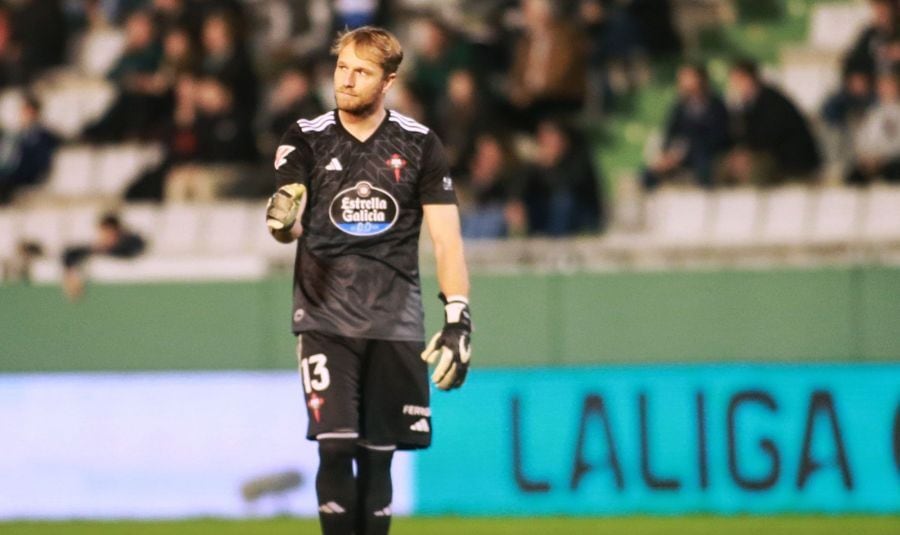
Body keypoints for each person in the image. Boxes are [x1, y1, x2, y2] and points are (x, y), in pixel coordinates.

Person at [263, 27, 472, 535]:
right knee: (335, 446)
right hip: (324, 317)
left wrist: (457, 319)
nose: (347, 80)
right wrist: (284, 222)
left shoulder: (420, 144)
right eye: (341, 68)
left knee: (378, 457)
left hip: (395, 321)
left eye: (361, 71)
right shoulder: (306, 138)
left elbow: (446, 239)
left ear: (388, 81)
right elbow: (289, 218)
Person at [722, 59, 821, 185]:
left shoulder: (772, 100)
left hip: (789, 158)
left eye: (736, 80)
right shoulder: (747, 103)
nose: (734, 85)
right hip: (768, 153)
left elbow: (770, 135)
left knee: (756, 170)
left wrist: (747, 153)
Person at [643, 63, 730, 189]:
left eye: (689, 78)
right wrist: (667, 154)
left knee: (704, 167)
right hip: (681, 157)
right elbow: (669, 132)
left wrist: (684, 151)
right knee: (649, 174)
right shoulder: (680, 107)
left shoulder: (717, 106)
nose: (685, 83)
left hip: (707, 155)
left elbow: (718, 138)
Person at [61, 213, 145, 301]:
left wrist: (107, 249)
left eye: (108, 233)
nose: (104, 237)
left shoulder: (130, 243)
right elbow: (71, 252)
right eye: (103, 233)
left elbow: (133, 248)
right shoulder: (101, 247)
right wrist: (70, 273)